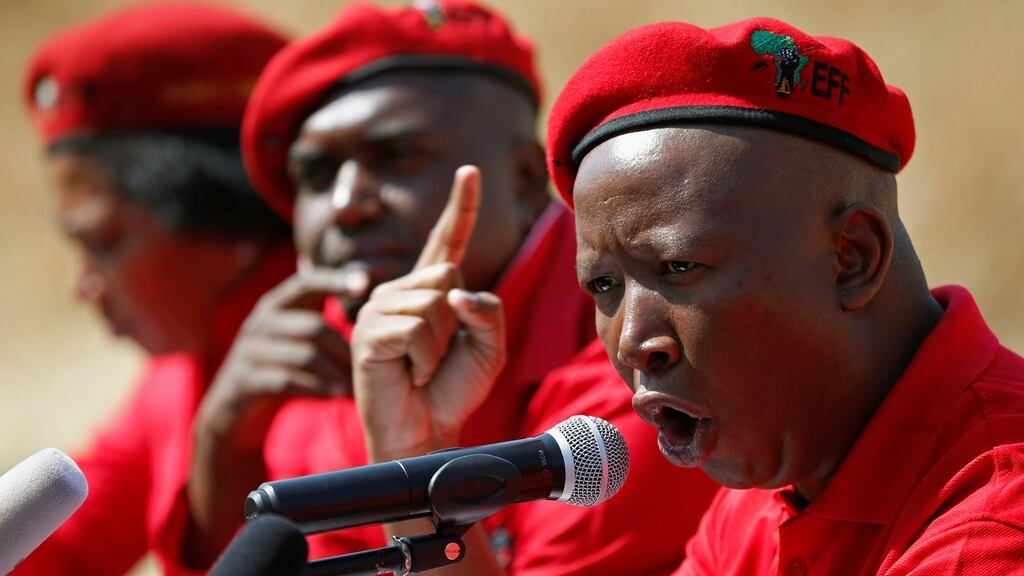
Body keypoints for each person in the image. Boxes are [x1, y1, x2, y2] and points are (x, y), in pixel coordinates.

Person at [181, 1, 719, 573]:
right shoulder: (335, 352)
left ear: (524, 180)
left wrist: (411, 452)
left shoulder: (643, 356)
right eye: (316, 175)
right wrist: (220, 439)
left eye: (395, 158)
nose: (345, 205)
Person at [543, 16, 1024, 575]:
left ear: (853, 258)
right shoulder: (775, 473)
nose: (631, 342)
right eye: (603, 285)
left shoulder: (991, 529)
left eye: (679, 267)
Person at [16, 4, 291, 574]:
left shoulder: (355, 363)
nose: (82, 287)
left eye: (104, 242)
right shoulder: (178, 376)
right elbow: (67, 544)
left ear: (222, 214)